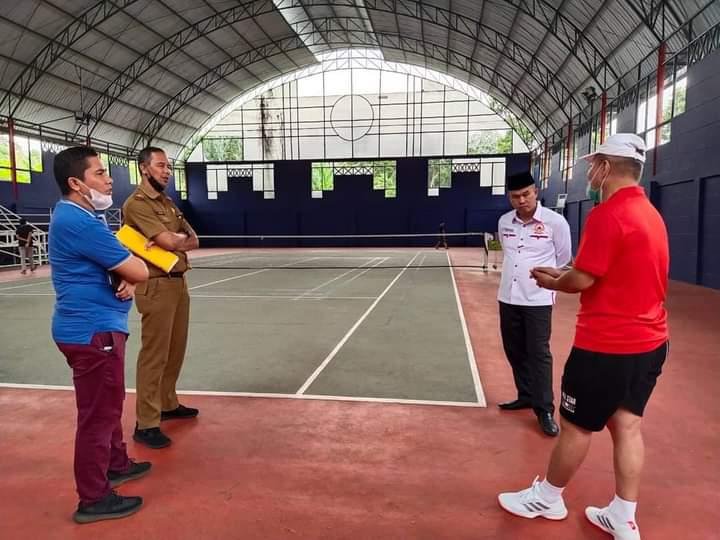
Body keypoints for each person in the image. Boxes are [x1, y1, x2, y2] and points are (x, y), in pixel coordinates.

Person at [497, 133, 669, 540]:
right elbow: (601, 271)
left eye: (593, 165)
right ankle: (624, 515)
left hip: (607, 345)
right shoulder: (650, 214)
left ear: (606, 168)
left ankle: (547, 498)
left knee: (575, 426)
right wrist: (564, 274)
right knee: (627, 425)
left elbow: (581, 280)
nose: (589, 172)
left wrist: (552, 281)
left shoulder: (608, 215)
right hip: (650, 341)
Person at [48, 146, 151, 523]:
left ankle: (116, 463)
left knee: (108, 404)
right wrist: (133, 274)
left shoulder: (80, 216)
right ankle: (93, 497)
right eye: (100, 173)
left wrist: (129, 276)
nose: (109, 180)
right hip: (92, 333)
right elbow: (139, 269)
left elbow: (123, 269)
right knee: (98, 414)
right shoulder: (81, 222)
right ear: (76, 183)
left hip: (94, 328)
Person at [122, 146, 199, 449]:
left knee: (175, 350)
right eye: (160, 166)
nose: (167, 171)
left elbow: (193, 239)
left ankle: (167, 403)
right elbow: (169, 239)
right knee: (154, 355)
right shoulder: (136, 204)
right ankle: (146, 423)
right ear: (144, 168)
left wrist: (174, 241)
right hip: (155, 285)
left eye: (168, 167)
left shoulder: (167, 202)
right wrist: (172, 240)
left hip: (178, 283)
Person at [496, 171, 571, 436]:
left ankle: (544, 409)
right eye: (515, 196)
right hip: (508, 296)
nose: (521, 200)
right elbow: (508, 253)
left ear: (535, 192)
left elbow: (563, 258)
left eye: (526, 194)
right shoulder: (504, 222)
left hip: (538, 299)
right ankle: (525, 395)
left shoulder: (555, 222)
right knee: (514, 349)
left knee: (538, 353)